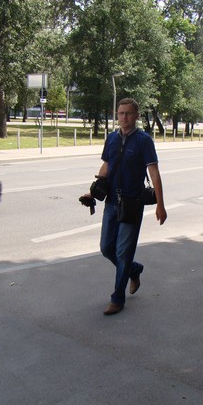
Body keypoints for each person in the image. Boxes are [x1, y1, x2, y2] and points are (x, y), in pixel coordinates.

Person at [80, 98, 167, 316]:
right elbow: (106, 165)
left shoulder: (144, 141)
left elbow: (154, 173)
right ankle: (134, 270)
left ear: (136, 116)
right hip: (111, 201)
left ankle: (117, 299)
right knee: (106, 248)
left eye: (128, 113)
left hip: (132, 203)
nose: (124, 117)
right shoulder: (111, 138)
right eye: (120, 113)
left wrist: (161, 205)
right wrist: (93, 191)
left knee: (122, 253)